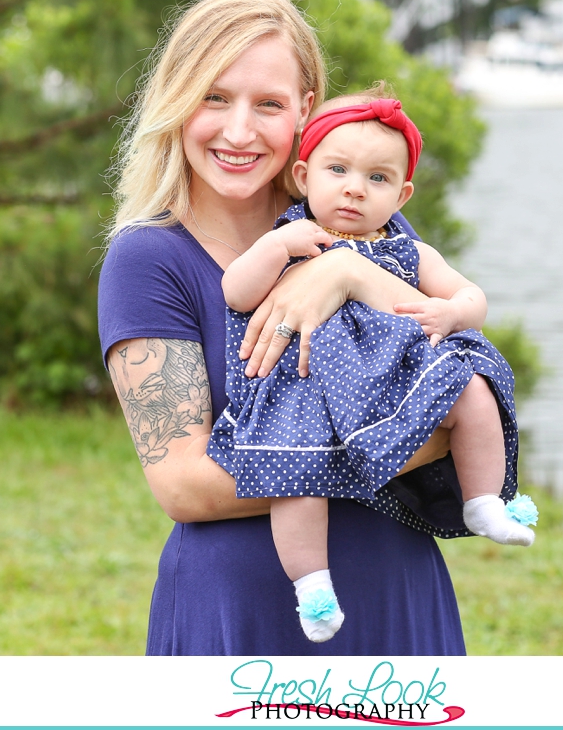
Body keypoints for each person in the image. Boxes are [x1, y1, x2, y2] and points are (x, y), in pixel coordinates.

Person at [98, 0, 518, 655]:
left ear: (305, 110)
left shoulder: (357, 213)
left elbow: (463, 370)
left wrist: (345, 273)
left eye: (267, 103)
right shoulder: (149, 260)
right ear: (176, 103)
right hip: (240, 617)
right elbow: (186, 484)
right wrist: (398, 445)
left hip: (397, 598)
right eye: (214, 97)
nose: (239, 131)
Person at [208, 87, 536, 643]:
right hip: (302, 389)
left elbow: (473, 298)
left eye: (378, 179)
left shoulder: (408, 251)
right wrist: (276, 248)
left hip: (386, 389)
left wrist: (450, 310)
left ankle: (484, 501)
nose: (355, 189)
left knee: (474, 388)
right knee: (296, 477)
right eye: (338, 170)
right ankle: (312, 587)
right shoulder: (292, 238)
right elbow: (236, 293)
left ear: (402, 194)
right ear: (305, 174)